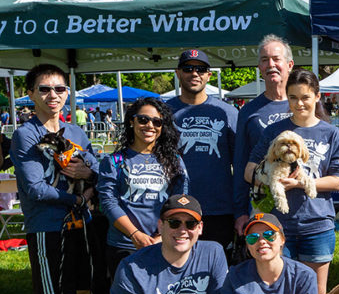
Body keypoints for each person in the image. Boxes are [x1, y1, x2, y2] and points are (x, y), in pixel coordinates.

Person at [12, 64, 99, 294]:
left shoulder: (77, 132)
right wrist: (77, 199)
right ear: (31, 93)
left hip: (81, 224)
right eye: (45, 89)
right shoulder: (25, 134)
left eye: (60, 89)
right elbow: (35, 188)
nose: (53, 95)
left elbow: (94, 172)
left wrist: (89, 183)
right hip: (46, 226)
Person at [246, 69, 339, 294]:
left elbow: (338, 181)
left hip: (317, 224)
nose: (299, 103)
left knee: (316, 293)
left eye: (305, 97)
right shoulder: (274, 131)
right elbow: (249, 170)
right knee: (280, 292)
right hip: (277, 224)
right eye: (293, 98)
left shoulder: (332, 134)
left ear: (317, 96)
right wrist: (268, 178)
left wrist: (301, 183)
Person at [97, 97, 188, 273]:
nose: (150, 125)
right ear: (132, 122)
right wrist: (135, 235)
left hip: (165, 242)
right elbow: (108, 203)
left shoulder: (174, 161)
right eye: (143, 119)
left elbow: (179, 200)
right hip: (124, 244)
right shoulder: (114, 161)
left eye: (157, 122)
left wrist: (161, 236)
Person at [165, 49, 238, 250]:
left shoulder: (228, 113)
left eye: (200, 69)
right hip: (176, 207)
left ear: (209, 74)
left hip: (218, 208)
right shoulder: (163, 112)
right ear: (178, 73)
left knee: (217, 271)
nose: (194, 73)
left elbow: (240, 165)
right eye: (188, 68)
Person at [233, 35, 294, 238]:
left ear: (289, 64)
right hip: (263, 202)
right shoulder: (249, 111)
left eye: (276, 59)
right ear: (259, 67)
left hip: (302, 203)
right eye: (265, 60)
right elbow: (240, 162)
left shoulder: (304, 105)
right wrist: (241, 212)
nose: (271, 65)